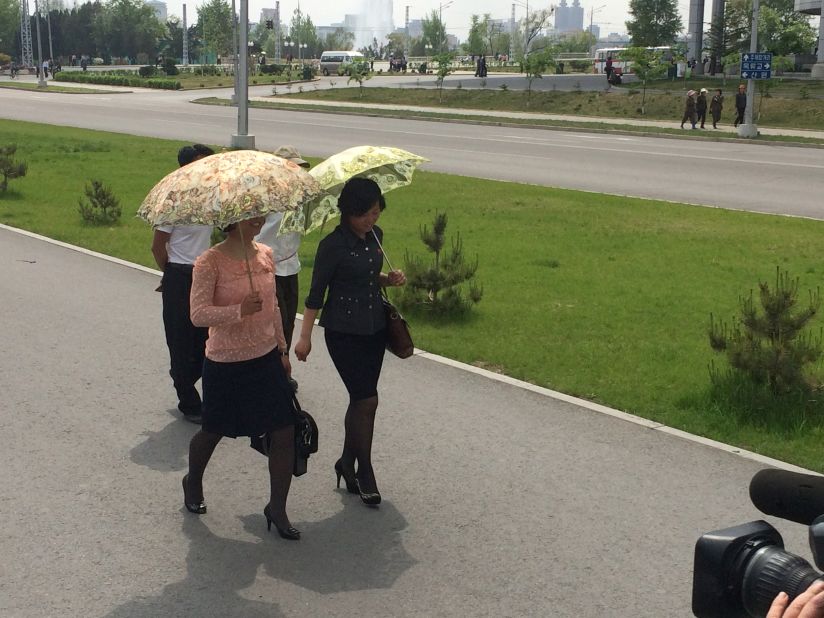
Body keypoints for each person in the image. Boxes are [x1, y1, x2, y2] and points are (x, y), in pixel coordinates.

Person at [185, 216, 301, 541]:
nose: (260, 220)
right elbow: (198, 314)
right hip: (225, 361)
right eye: (253, 216)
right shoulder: (209, 261)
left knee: (284, 430)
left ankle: (277, 508)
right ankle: (192, 481)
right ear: (233, 221)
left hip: (265, 357)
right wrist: (238, 310)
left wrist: (282, 350)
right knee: (213, 431)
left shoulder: (265, 254)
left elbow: (275, 306)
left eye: (261, 214)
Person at [294, 178, 407, 507]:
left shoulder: (376, 237)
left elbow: (370, 277)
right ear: (348, 212)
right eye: (366, 214)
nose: (372, 220)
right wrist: (304, 339)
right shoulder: (333, 246)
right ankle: (365, 470)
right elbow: (316, 295)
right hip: (343, 332)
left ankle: (346, 463)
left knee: (361, 401)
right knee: (367, 400)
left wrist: (390, 279)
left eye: (376, 213)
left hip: (374, 328)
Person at [151, 144, 215, 423]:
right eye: (202, 164)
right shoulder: (172, 202)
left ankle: (186, 375)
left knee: (208, 338)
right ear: (186, 167)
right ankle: (187, 398)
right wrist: (171, 274)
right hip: (179, 274)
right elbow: (157, 247)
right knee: (180, 338)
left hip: (206, 274)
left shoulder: (211, 199)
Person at [254, 145, 310, 392]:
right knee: (273, 323)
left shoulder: (299, 197)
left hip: (291, 267)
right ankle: (271, 373)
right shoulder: (263, 198)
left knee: (288, 322)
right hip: (268, 268)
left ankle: (281, 370)